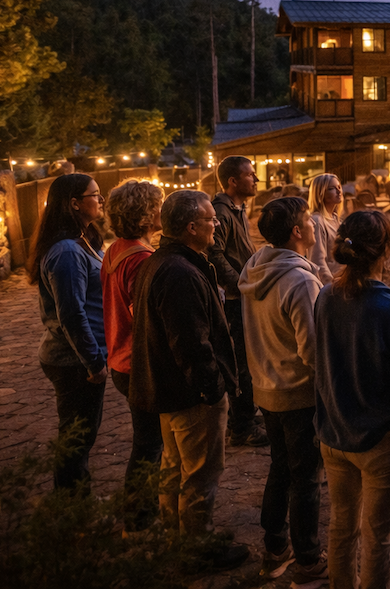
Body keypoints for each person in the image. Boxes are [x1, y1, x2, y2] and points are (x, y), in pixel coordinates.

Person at [129, 190, 247, 569]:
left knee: (175, 468)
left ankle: (176, 538)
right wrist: (211, 389)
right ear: (191, 227)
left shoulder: (165, 262)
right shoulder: (179, 272)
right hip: (188, 394)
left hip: (168, 390)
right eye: (211, 220)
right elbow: (191, 342)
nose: (217, 225)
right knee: (199, 473)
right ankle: (196, 549)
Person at [314, 210, 390, 589]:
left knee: (342, 526)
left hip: (333, 432)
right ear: (384, 250)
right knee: (378, 536)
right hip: (382, 439)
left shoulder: (325, 297)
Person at [238, 197, 326, 584]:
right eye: (308, 221)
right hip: (298, 393)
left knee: (280, 468)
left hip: (265, 387)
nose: (313, 226)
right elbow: (312, 349)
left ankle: (275, 545)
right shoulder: (301, 280)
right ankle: (307, 557)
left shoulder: (254, 268)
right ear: (297, 231)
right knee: (305, 477)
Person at [29, 173, 108, 492]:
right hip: (72, 360)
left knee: (81, 434)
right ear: (74, 203)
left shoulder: (82, 241)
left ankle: (74, 503)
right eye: (95, 195)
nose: (101, 200)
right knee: (77, 436)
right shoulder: (66, 252)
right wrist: (93, 362)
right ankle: (71, 508)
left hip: (80, 356)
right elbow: (71, 314)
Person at [101, 177, 165, 530]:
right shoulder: (141, 259)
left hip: (120, 359)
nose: (162, 210)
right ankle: (140, 516)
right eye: (158, 205)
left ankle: (140, 512)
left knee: (147, 441)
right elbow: (148, 317)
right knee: (149, 445)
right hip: (137, 363)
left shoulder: (116, 249)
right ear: (146, 214)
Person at [210, 155, 267, 447]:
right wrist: (240, 283)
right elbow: (214, 254)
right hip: (236, 300)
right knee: (242, 363)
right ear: (233, 181)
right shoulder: (220, 211)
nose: (255, 179)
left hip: (243, 295)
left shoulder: (237, 209)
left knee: (250, 359)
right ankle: (242, 425)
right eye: (250, 175)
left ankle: (243, 415)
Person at [307, 172, 343, 284]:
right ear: (320, 193)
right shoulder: (317, 221)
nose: (339, 191)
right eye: (332, 188)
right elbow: (317, 261)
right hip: (330, 286)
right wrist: (331, 287)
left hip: (342, 281)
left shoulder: (336, 219)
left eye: (339, 187)